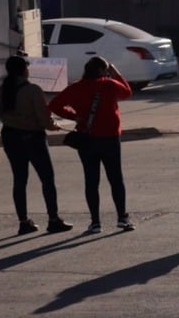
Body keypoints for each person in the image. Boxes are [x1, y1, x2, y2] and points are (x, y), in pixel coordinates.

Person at [50, 56, 135, 232]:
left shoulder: (75, 88)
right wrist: (116, 73)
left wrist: (74, 116)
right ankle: (122, 217)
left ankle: (95, 222)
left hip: (86, 138)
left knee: (91, 180)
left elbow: (55, 105)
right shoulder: (109, 84)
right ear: (103, 71)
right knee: (115, 178)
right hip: (109, 138)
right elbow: (127, 92)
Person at [0, 55, 69, 235]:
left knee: (19, 179)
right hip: (32, 138)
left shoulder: (2, 90)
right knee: (47, 178)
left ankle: (23, 221)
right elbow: (43, 118)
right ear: (24, 70)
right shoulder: (32, 90)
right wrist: (53, 125)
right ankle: (53, 219)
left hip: (10, 137)